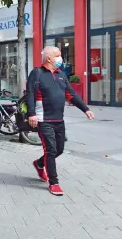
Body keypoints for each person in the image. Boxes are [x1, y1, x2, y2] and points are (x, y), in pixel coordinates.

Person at [26, 46, 95, 196]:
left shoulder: (61, 75)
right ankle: (54, 182)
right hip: (43, 119)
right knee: (50, 150)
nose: (60, 58)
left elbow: (71, 95)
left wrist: (85, 109)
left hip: (59, 119)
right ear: (49, 58)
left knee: (59, 149)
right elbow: (30, 93)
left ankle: (39, 163)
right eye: (57, 55)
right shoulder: (37, 73)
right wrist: (31, 114)